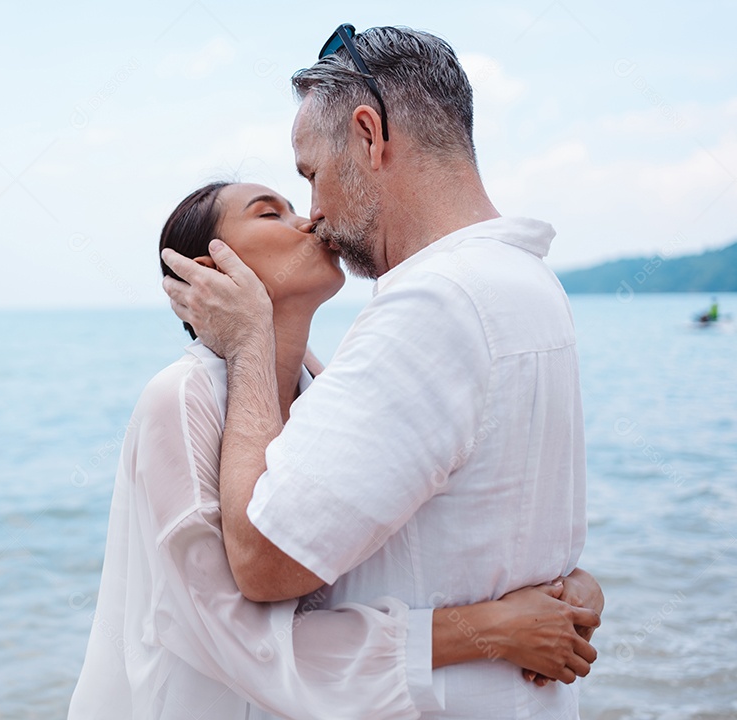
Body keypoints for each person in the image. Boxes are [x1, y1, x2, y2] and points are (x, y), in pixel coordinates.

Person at [162, 25, 596, 718]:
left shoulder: (436, 302)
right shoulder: (531, 285)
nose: (315, 214)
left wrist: (250, 346)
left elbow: (267, 559)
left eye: (310, 175)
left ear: (369, 136)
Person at [69, 180, 601, 720]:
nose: (310, 220)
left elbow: (402, 543)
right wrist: (489, 631)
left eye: (296, 205)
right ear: (210, 271)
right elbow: (234, 637)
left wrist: (565, 586)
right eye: (270, 213)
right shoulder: (181, 399)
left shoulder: (326, 389)